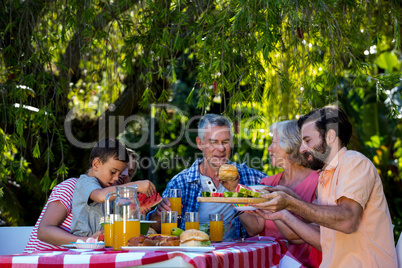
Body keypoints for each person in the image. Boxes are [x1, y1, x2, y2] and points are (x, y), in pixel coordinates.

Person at [252, 106, 398, 267]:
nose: (302, 149)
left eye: (307, 141)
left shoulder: (354, 162)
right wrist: (283, 211)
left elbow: (347, 220)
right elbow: (321, 238)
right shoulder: (326, 176)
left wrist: (290, 202)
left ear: (330, 136)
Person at [147, 114, 267, 238]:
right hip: (194, 254)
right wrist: (158, 213)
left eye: (225, 142)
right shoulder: (180, 183)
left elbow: (279, 192)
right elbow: (155, 230)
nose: (221, 148)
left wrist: (235, 191)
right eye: (213, 142)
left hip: (234, 254)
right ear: (200, 143)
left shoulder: (250, 177)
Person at [25, 142, 154, 251]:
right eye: (113, 172)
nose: (117, 178)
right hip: (41, 259)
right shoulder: (71, 187)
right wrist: (86, 241)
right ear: (96, 164)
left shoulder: (108, 202)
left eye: (126, 174)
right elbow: (44, 231)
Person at [239, 120, 320, 267]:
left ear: (289, 145)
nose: (269, 148)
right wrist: (235, 194)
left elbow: (298, 236)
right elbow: (255, 228)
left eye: (273, 142)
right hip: (269, 263)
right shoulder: (267, 183)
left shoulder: (319, 182)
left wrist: (277, 206)